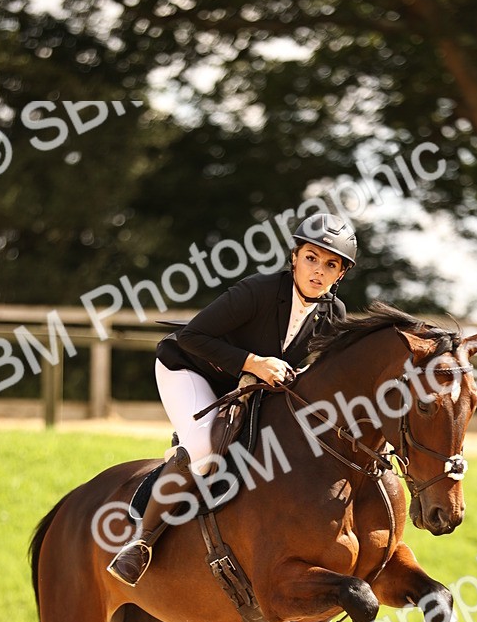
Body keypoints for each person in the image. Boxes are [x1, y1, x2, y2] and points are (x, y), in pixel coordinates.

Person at [107, 212, 357, 586]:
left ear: (340, 274)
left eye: (330, 264)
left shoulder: (332, 313)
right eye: (311, 258)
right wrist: (255, 362)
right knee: (202, 447)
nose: (318, 270)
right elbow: (193, 336)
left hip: (245, 387)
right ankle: (140, 543)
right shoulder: (259, 290)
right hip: (191, 369)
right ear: (294, 258)